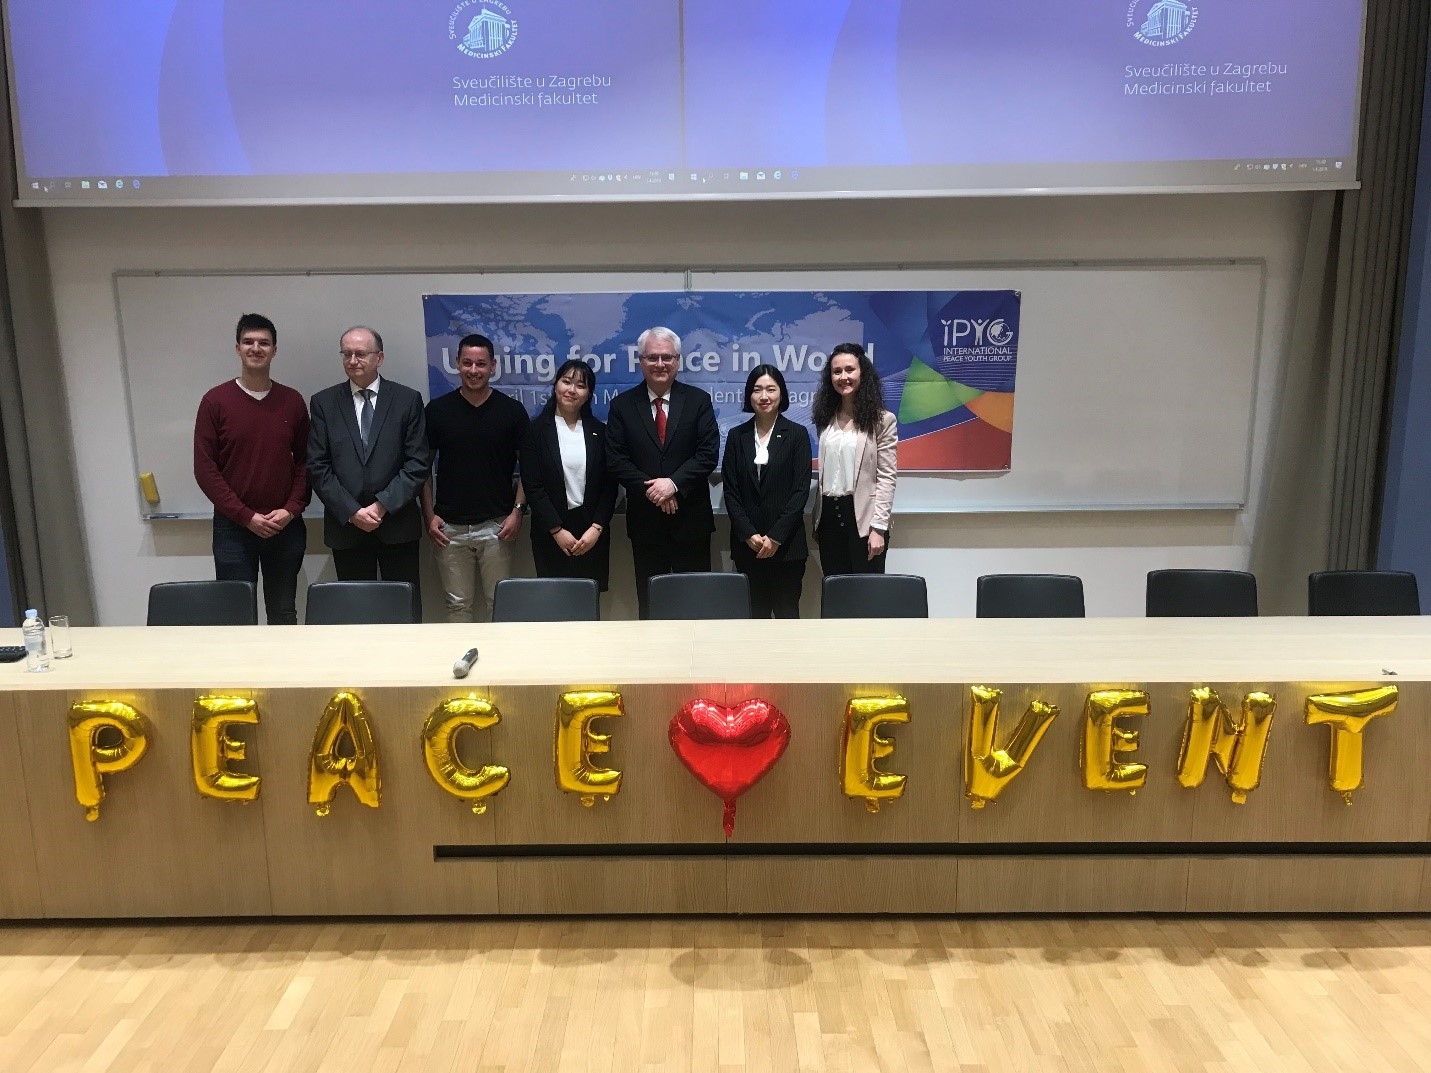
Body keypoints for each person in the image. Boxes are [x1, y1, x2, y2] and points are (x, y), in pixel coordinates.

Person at [193, 313, 311, 624]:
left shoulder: (292, 401)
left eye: (264, 343)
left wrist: (291, 510)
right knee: (236, 616)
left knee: (283, 613)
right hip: (234, 529)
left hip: (284, 527)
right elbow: (205, 469)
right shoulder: (215, 401)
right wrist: (245, 516)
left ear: (274, 350)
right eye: (248, 342)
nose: (256, 348)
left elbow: (306, 462)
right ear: (237, 348)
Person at [307, 326, 430, 611]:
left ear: (379, 358)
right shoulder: (324, 403)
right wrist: (352, 511)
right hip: (347, 528)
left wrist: (382, 505)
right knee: (355, 612)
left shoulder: (407, 400)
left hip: (397, 525)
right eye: (347, 354)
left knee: (403, 610)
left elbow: (417, 463)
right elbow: (317, 465)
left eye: (361, 354)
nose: (353, 360)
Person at [605, 326, 720, 618]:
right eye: (652, 357)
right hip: (646, 525)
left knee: (696, 604)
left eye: (667, 357)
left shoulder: (698, 401)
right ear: (640, 361)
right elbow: (616, 460)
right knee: (650, 605)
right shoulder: (622, 406)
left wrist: (674, 484)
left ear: (678, 361)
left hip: (691, 522)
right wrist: (655, 490)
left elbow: (707, 454)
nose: (660, 364)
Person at [421, 334, 529, 622]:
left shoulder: (512, 412)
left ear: (493, 366)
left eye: (481, 364)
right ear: (456, 363)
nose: (473, 370)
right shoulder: (437, 411)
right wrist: (429, 516)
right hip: (449, 529)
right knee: (457, 606)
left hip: (498, 526)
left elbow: (529, 468)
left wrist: (517, 512)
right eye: (467, 363)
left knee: (500, 605)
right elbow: (423, 470)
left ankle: (499, 655)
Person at [720, 364, 812, 618]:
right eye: (757, 389)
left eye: (771, 389)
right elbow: (731, 491)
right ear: (749, 395)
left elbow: (800, 491)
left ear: (781, 393)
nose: (764, 396)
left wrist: (776, 537)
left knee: (787, 617)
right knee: (753, 619)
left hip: (788, 548)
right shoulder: (736, 436)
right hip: (748, 547)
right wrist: (748, 534)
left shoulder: (797, 434)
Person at [520, 358, 618, 595]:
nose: (572, 390)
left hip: (591, 533)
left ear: (589, 394)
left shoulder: (600, 432)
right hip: (551, 531)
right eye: (566, 382)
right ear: (556, 385)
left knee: (588, 600)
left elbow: (609, 485)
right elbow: (533, 486)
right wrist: (556, 530)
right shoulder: (535, 431)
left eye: (580, 385)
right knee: (554, 601)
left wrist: (597, 528)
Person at [811, 342, 898, 576]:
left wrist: (878, 528)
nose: (843, 377)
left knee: (865, 592)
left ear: (863, 373)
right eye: (837, 371)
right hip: (828, 518)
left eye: (850, 370)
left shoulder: (882, 420)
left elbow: (887, 477)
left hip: (864, 520)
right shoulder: (825, 418)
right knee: (835, 589)